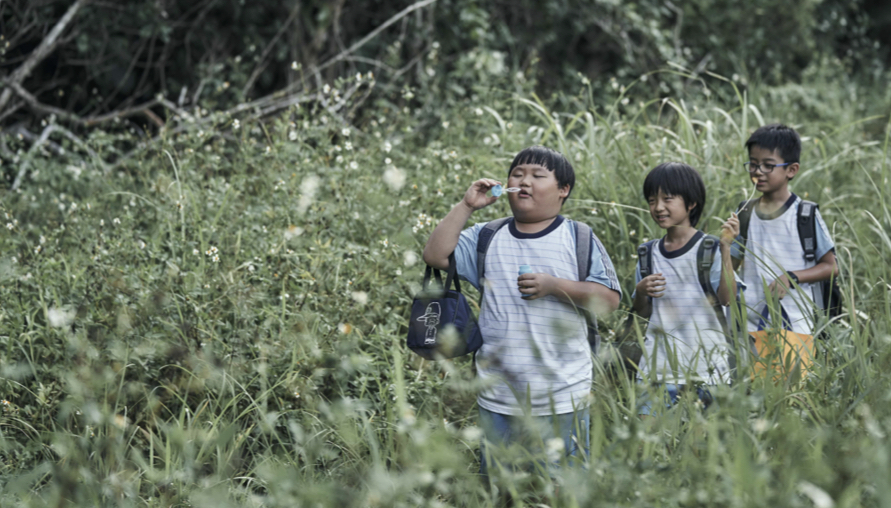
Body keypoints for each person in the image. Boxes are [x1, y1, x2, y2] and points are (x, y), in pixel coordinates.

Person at [422, 145, 621, 476]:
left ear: (563, 190)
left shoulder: (578, 237)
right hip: (497, 396)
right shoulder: (488, 236)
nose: (524, 181)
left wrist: (554, 286)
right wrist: (467, 206)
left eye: (537, 176)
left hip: (564, 397)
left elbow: (609, 300)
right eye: (517, 174)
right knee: (502, 489)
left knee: (562, 489)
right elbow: (435, 254)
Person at [631, 162, 742, 415]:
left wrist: (726, 249)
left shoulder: (709, 248)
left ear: (691, 203)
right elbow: (640, 310)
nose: (658, 207)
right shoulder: (647, 253)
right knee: (652, 447)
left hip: (708, 373)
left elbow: (728, 299)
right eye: (652, 200)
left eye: (667, 199)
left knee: (703, 449)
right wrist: (640, 290)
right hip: (655, 372)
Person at [732, 124, 838, 337]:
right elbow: (731, 266)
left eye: (768, 166)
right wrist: (725, 245)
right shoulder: (745, 213)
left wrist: (790, 277)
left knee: (794, 371)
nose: (758, 172)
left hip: (798, 327)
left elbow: (831, 267)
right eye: (753, 164)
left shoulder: (804, 215)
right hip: (751, 326)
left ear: (791, 170)